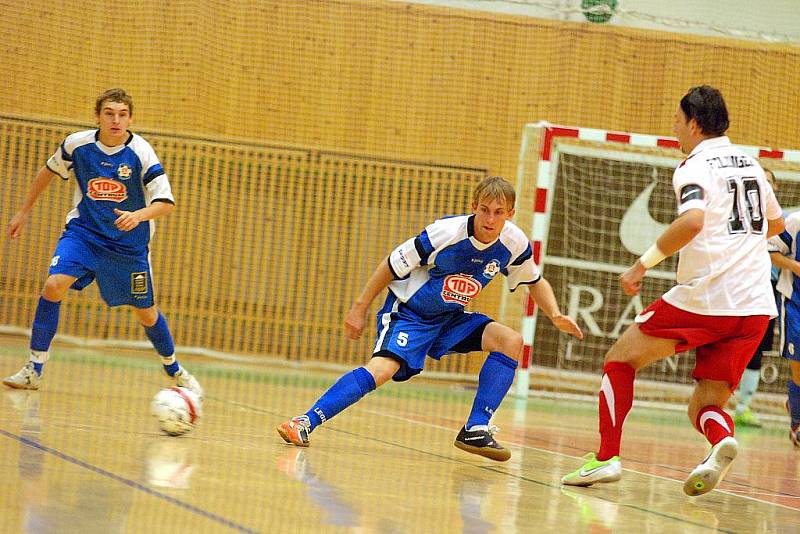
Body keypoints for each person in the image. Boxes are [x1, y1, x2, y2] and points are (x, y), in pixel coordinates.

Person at [561, 85, 784, 495]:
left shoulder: (694, 166)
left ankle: (606, 457)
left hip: (709, 295)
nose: (674, 128)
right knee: (705, 405)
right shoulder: (751, 165)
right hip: (755, 305)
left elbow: (693, 221)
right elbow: (774, 225)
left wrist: (641, 264)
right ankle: (720, 442)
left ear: (695, 123)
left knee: (620, 359)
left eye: (678, 120)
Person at [277, 176, 583, 461]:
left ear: (511, 213)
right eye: (484, 210)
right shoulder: (446, 233)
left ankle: (475, 429)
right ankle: (304, 421)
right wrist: (360, 306)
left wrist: (555, 314)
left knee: (510, 341)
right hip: (410, 313)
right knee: (383, 369)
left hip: (451, 317)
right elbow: (392, 263)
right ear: (473, 206)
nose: (490, 219)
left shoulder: (514, 243)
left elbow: (534, 279)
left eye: (498, 212)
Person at [3, 88, 202, 399]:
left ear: (130, 118)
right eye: (109, 113)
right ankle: (34, 368)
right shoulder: (77, 145)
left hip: (128, 247)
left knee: (146, 312)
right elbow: (47, 171)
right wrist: (23, 211)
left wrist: (137, 216)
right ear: (98, 116)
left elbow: (166, 203)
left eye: (122, 114)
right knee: (53, 285)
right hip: (84, 234)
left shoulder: (141, 152)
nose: (116, 120)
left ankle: (173, 368)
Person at [733, 169, 781, 428]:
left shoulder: (781, 221)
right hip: (735, 288)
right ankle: (712, 403)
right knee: (723, 345)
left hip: (765, 291)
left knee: (757, 349)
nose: (764, 185)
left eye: (769, 182)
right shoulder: (735, 214)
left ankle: (743, 407)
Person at [767, 209, 800, 447]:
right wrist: (796, 267)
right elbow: (770, 251)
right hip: (795, 302)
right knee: (798, 364)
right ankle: (797, 423)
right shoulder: (795, 221)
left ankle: (795, 401)